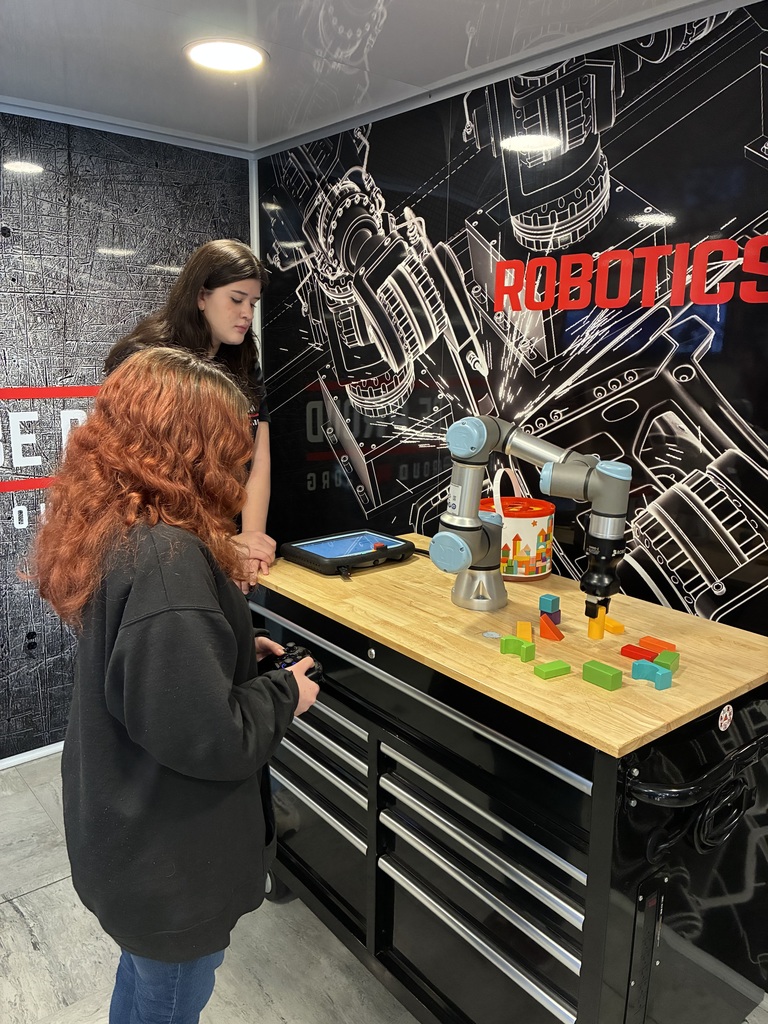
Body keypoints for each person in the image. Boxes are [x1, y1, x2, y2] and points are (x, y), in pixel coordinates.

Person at [30, 347, 320, 1024]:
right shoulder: (169, 563)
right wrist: (284, 695)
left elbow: (144, 666)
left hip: (128, 836)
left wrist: (225, 646)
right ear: (190, 447)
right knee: (168, 1001)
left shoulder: (125, 528)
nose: (239, 463)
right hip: (169, 866)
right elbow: (209, 737)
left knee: (146, 983)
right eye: (228, 444)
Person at [104, 239, 274, 590]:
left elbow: (257, 458)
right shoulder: (146, 359)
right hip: (163, 545)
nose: (247, 314)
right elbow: (145, 480)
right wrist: (221, 547)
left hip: (223, 540)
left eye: (253, 303)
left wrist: (251, 545)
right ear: (201, 296)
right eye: (236, 299)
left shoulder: (243, 360)